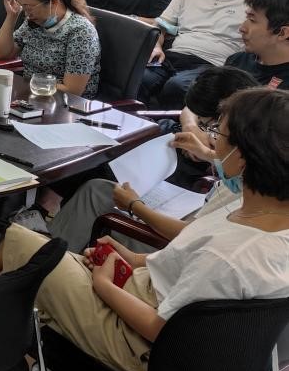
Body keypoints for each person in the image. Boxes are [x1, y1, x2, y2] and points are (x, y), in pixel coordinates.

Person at [0, 87, 289, 371]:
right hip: (169, 318)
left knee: (18, 241)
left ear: (242, 157)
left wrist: (104, 286)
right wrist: (133, 259)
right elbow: (191, 263)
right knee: (42, 261)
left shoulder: (226, 255)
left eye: (218, 134)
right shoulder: (261, 221)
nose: (212, 144)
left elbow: (162, 330)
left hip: (141, 349)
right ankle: (15, 360)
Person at [38, 67, 260, 252]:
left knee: (96, 193)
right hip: (192, 216)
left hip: (172, 246)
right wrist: (208, 154)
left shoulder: (251, 193)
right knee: (97, 188)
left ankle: (46, 265)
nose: (211, 137)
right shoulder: (256, 155)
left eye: (214, 130)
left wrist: (135, 206)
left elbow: (190, 236)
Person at [139, 0, 251, 107]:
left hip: (214, 65)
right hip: (172, 57)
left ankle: (167, 124)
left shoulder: (253, 2)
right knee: (138, 78)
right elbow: (162, 26)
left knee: (176, 87)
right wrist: (157, 47)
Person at [0, 0, 101, 98]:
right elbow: (2, 54)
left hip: (65, 102)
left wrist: (28, 85)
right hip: (32, 94)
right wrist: (12, 15)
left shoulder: (81, 32)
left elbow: (72, 90)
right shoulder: (34, 21)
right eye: (23, 7)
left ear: (53, 2)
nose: (27, 14)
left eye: (29, 7)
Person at [224, 0, 289, 88]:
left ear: (283, 33)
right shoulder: (237, 61)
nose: (242, 28)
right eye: (247, 18)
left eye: (252, 20)